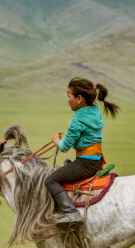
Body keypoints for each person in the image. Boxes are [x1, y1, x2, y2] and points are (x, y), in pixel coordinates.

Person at [44, 77, 120, 230]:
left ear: (79, 98)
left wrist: (56, 140)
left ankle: (71, 213)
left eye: (69, 96)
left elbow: (65, 147)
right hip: (96, 160)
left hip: (85, 164)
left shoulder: (77, 118)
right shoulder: (94, 110)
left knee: (50, 181)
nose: (67, 100)